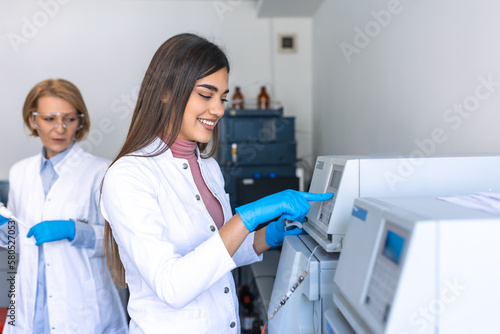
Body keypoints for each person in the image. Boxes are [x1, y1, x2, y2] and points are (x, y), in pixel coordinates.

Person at [100, 33, 332, 334]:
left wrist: (269, 234)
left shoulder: (208, 168)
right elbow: (172, 286)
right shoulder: (129, 176)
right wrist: (244, 218)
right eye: (206, 95)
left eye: (222, 98)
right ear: (166, 92)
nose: (220, 110)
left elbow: (224, 252)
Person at [0, 79, 128, 333]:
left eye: (69, 119)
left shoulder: (102, 172)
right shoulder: (20, 172)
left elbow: (122, 241)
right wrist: (6, 233)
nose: (59, 129)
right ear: (33, 120)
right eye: (49, 119)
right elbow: (17, 238)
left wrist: (74, 230)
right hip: (29, 308)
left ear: (80, 121)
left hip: (83, 310)